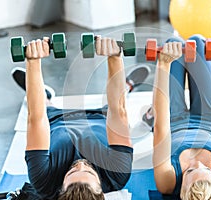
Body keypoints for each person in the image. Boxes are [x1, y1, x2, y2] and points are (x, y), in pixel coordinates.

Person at [11, 36, 149, 200]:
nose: (82, 164)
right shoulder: (116, 175)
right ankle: (127, 86)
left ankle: (43, 94)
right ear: (102, 189)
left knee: (44, 105)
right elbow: (118, 112)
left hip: (57, 118)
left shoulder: (44, 181)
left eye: (73, 170)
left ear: (61, 188)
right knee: (118, 102)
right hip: (102, 117)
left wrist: (33, 61)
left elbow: (36, 117)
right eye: (89, 171)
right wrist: (114, 57)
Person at [146, 35, 211, 199]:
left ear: (181, 189)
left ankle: (149, 113)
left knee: (173, 44)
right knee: (198, 44)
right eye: (207, 168)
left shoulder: (167, 181)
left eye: (190, 170)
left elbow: (161, 128)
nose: (197, 162)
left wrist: (163, 64)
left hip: (172, 121)